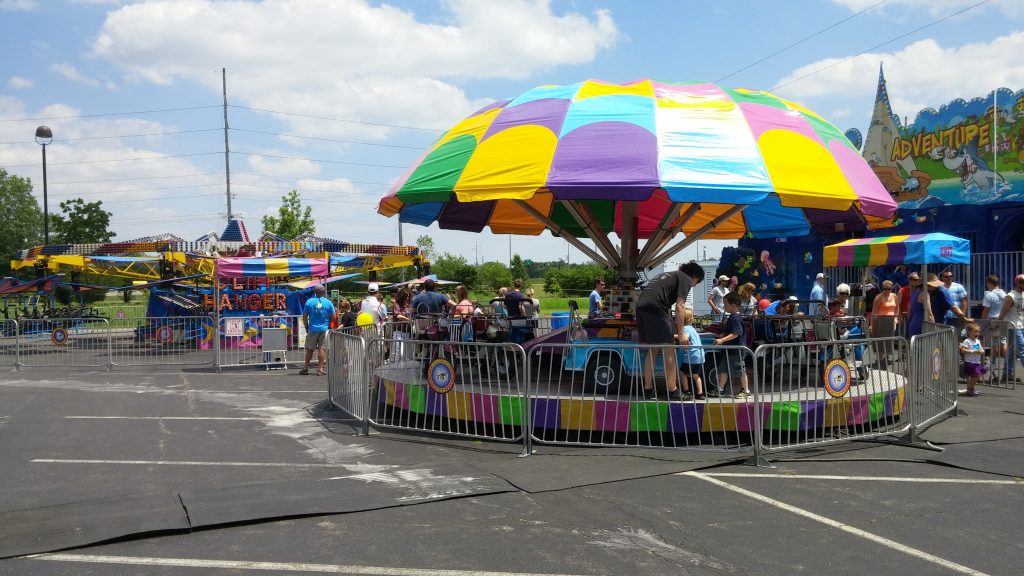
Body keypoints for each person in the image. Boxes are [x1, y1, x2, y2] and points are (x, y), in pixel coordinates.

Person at [636, 261, 705, 400]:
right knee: (669, 348)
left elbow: (665, 311)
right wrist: (681, 333)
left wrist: (673, 326)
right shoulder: (685, 278)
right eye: (696, 282)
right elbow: (680, 306)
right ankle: (672, 390)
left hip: (641, 307)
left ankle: (648, 390)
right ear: (694, 276)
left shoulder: (669, 275)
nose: (694, 285)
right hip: (655, 309)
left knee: (653, 350)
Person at [713, 292, 752, 399]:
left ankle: (746, 390)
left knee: (740, 370)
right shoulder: (732, 317)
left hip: (736, 351)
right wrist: (722, 335)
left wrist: (722, 339)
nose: (724, 306)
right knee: (723, 369)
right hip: (729, 350)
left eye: (725, 304)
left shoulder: (735, 317)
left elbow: (736, 333)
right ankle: (720, 389)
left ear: (733, 305)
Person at [301, 285, 336, 376]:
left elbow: (304, 316)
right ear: (323, 292)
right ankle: (320, 368)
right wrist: (328, 321)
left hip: (312, 328)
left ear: (315, 292)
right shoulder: (328, 302)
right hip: (324, 329)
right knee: (322, 349)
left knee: (310, 349)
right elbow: (333, 317)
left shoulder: (309, 302)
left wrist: (306, 326)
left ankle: (305, 368)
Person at [997, 274, 1024, 384]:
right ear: (1017, 283)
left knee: (1012, 351)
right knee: (1022, 348)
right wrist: (997, 324)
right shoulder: (1010, 296)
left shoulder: (1022, 294)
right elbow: (1003, 312)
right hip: (1012, 326)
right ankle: (1007, 373)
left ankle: (1007, 374)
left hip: (1021, 325)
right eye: (1023, 282)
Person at [981, 275, 1008, 374]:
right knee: (1003, 341)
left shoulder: (989, 295)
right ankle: (1007, 363)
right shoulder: (1003, 293)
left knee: (994, 343)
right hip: (1003, 319)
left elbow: (986, 310)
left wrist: (983, 322)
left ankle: (992, 363)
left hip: (993, 320)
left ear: (989, 283)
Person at [677, 307, 705, 400]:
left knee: (682, 372)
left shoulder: (685, 329)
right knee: (695, 375)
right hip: (700, 355)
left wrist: (674, 336)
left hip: (691, 355)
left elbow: (685, 337)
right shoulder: (693, 329)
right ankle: (700, 393)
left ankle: (686, 390)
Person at [959, 322, 986, 397]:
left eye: (978, 332)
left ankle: (971, 388)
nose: (977, 333)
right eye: (975, 331)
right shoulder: (967, 341)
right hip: (970, 362)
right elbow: (963, 350)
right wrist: (972, 351)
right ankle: (970, 389)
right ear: (969, 332)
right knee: (976, 375)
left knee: (976, 376)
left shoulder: (977, 341)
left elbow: (980, 349)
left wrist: (981, 351)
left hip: (976, 362)